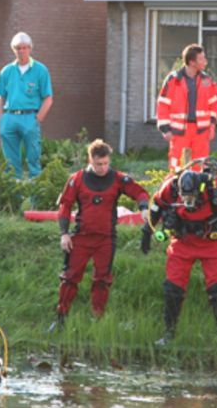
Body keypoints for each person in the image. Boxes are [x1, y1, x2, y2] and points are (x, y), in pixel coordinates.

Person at [50, 139, 149, 330]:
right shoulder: (77, 179)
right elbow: (65, 206)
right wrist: (64, 234)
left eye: (105, 163)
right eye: (98, 164)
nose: (103, 168)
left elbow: (140, 193)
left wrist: (143, 208)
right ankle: (61, 318)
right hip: (81, 237)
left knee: (102, 280)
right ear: (90, 160)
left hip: (106, 238)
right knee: (69, 278)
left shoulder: (118, 179)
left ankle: (98, 318)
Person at [141, 159, 217, 347]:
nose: (188, 202)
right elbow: (157, 206)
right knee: (172, 287)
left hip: (211, 241)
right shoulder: (170, 187)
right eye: (185, 198)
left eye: (191, 197)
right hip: (182, 241)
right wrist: (147, 230)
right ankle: (169, 333)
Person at [0, 32, 53, 180]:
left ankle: (35, 200)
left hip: (30, 117)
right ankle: (14, 198)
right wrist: (2, 121)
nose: (22, 51)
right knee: (11, 165)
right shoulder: (6, 71)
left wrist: (37, 119)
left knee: (33, 161)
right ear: (14, 50)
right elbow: (1, 97)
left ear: (30, 48)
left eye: (25, 47)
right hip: (10, 117)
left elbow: (48, 98)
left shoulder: (41, 70)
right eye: (18, 48)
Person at [156, 44, 217, 170]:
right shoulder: (173, 79)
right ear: (191, 62)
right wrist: (165, 129)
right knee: (177, 164)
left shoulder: (207, 80)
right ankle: (176, 188)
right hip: (179, 131)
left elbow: (213, 104)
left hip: (201, 131)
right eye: (201, 59)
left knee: (201, 164)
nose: (205, 62)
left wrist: (212, 126)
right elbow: (163, 104)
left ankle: (199, 189)